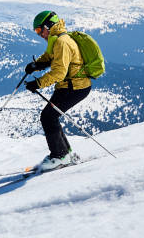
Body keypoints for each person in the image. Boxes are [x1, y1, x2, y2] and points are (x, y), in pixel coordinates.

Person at [23, 10, 92, 171]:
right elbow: (49, 56)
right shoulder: (57, 39)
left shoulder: (62, 42)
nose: (39, 34)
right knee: (50, 116)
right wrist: (36, 65)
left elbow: (59, 72)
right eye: (36, 31)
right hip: (68, 86)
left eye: (39, 30)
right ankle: (64, 153)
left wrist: (38, 83)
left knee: (48, 117)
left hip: (75, 87)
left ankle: (60, 156)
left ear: (49, 26)